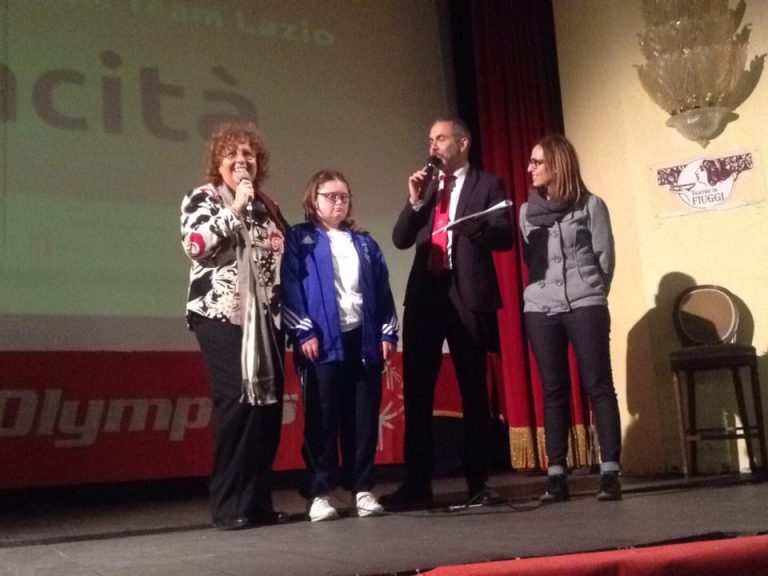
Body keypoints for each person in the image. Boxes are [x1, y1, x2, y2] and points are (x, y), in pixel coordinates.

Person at [382, 117, 514, 510]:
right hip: (426, 294)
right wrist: (414, 201)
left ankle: (478, 483)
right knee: (418, 392)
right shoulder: (426, 186)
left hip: (467, 294)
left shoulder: (488, 185)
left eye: (440, 138)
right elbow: (400, 239)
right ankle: (416, 486)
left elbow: (504, 236)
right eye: (430, 140)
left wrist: (476, 230)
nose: (433, 146)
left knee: (473, 390)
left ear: (463, 142)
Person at [180, 123, 290, 530]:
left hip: (267, 318)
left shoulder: (267, 205)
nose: (242, 161)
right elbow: (195, 245)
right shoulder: (203, 197)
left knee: (267, 408)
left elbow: (282, 256)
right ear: (218, 163)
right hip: (221, 315)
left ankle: (257, 502)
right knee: (238, 403)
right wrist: (235, 208)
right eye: (233, 154)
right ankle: (228, 505)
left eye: (249, 154)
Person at [281, 170, 399, 522]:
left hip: (362, 342)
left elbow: (383, 292)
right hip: (321, 343)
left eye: (343, 197)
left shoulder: (365, 244)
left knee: (362, 420)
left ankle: (362, 489)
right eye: (330, 196)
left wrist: (387, 334)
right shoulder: (299, 238)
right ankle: (319, 493)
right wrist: (303, 332)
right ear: (313, 200)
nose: (338, 202)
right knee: (321, 419)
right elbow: (290, 287)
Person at [519, 133, 622, 502]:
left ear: (557, 165)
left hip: (585, 303)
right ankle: (556, 475)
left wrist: (591, 293)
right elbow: (531, 262)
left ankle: (609, 472)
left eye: (537, 162)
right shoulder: (526, 212)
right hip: (540, 307)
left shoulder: (591, 205)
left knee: (599, 385)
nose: (529, 168)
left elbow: (605, 258)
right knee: (553, 390)